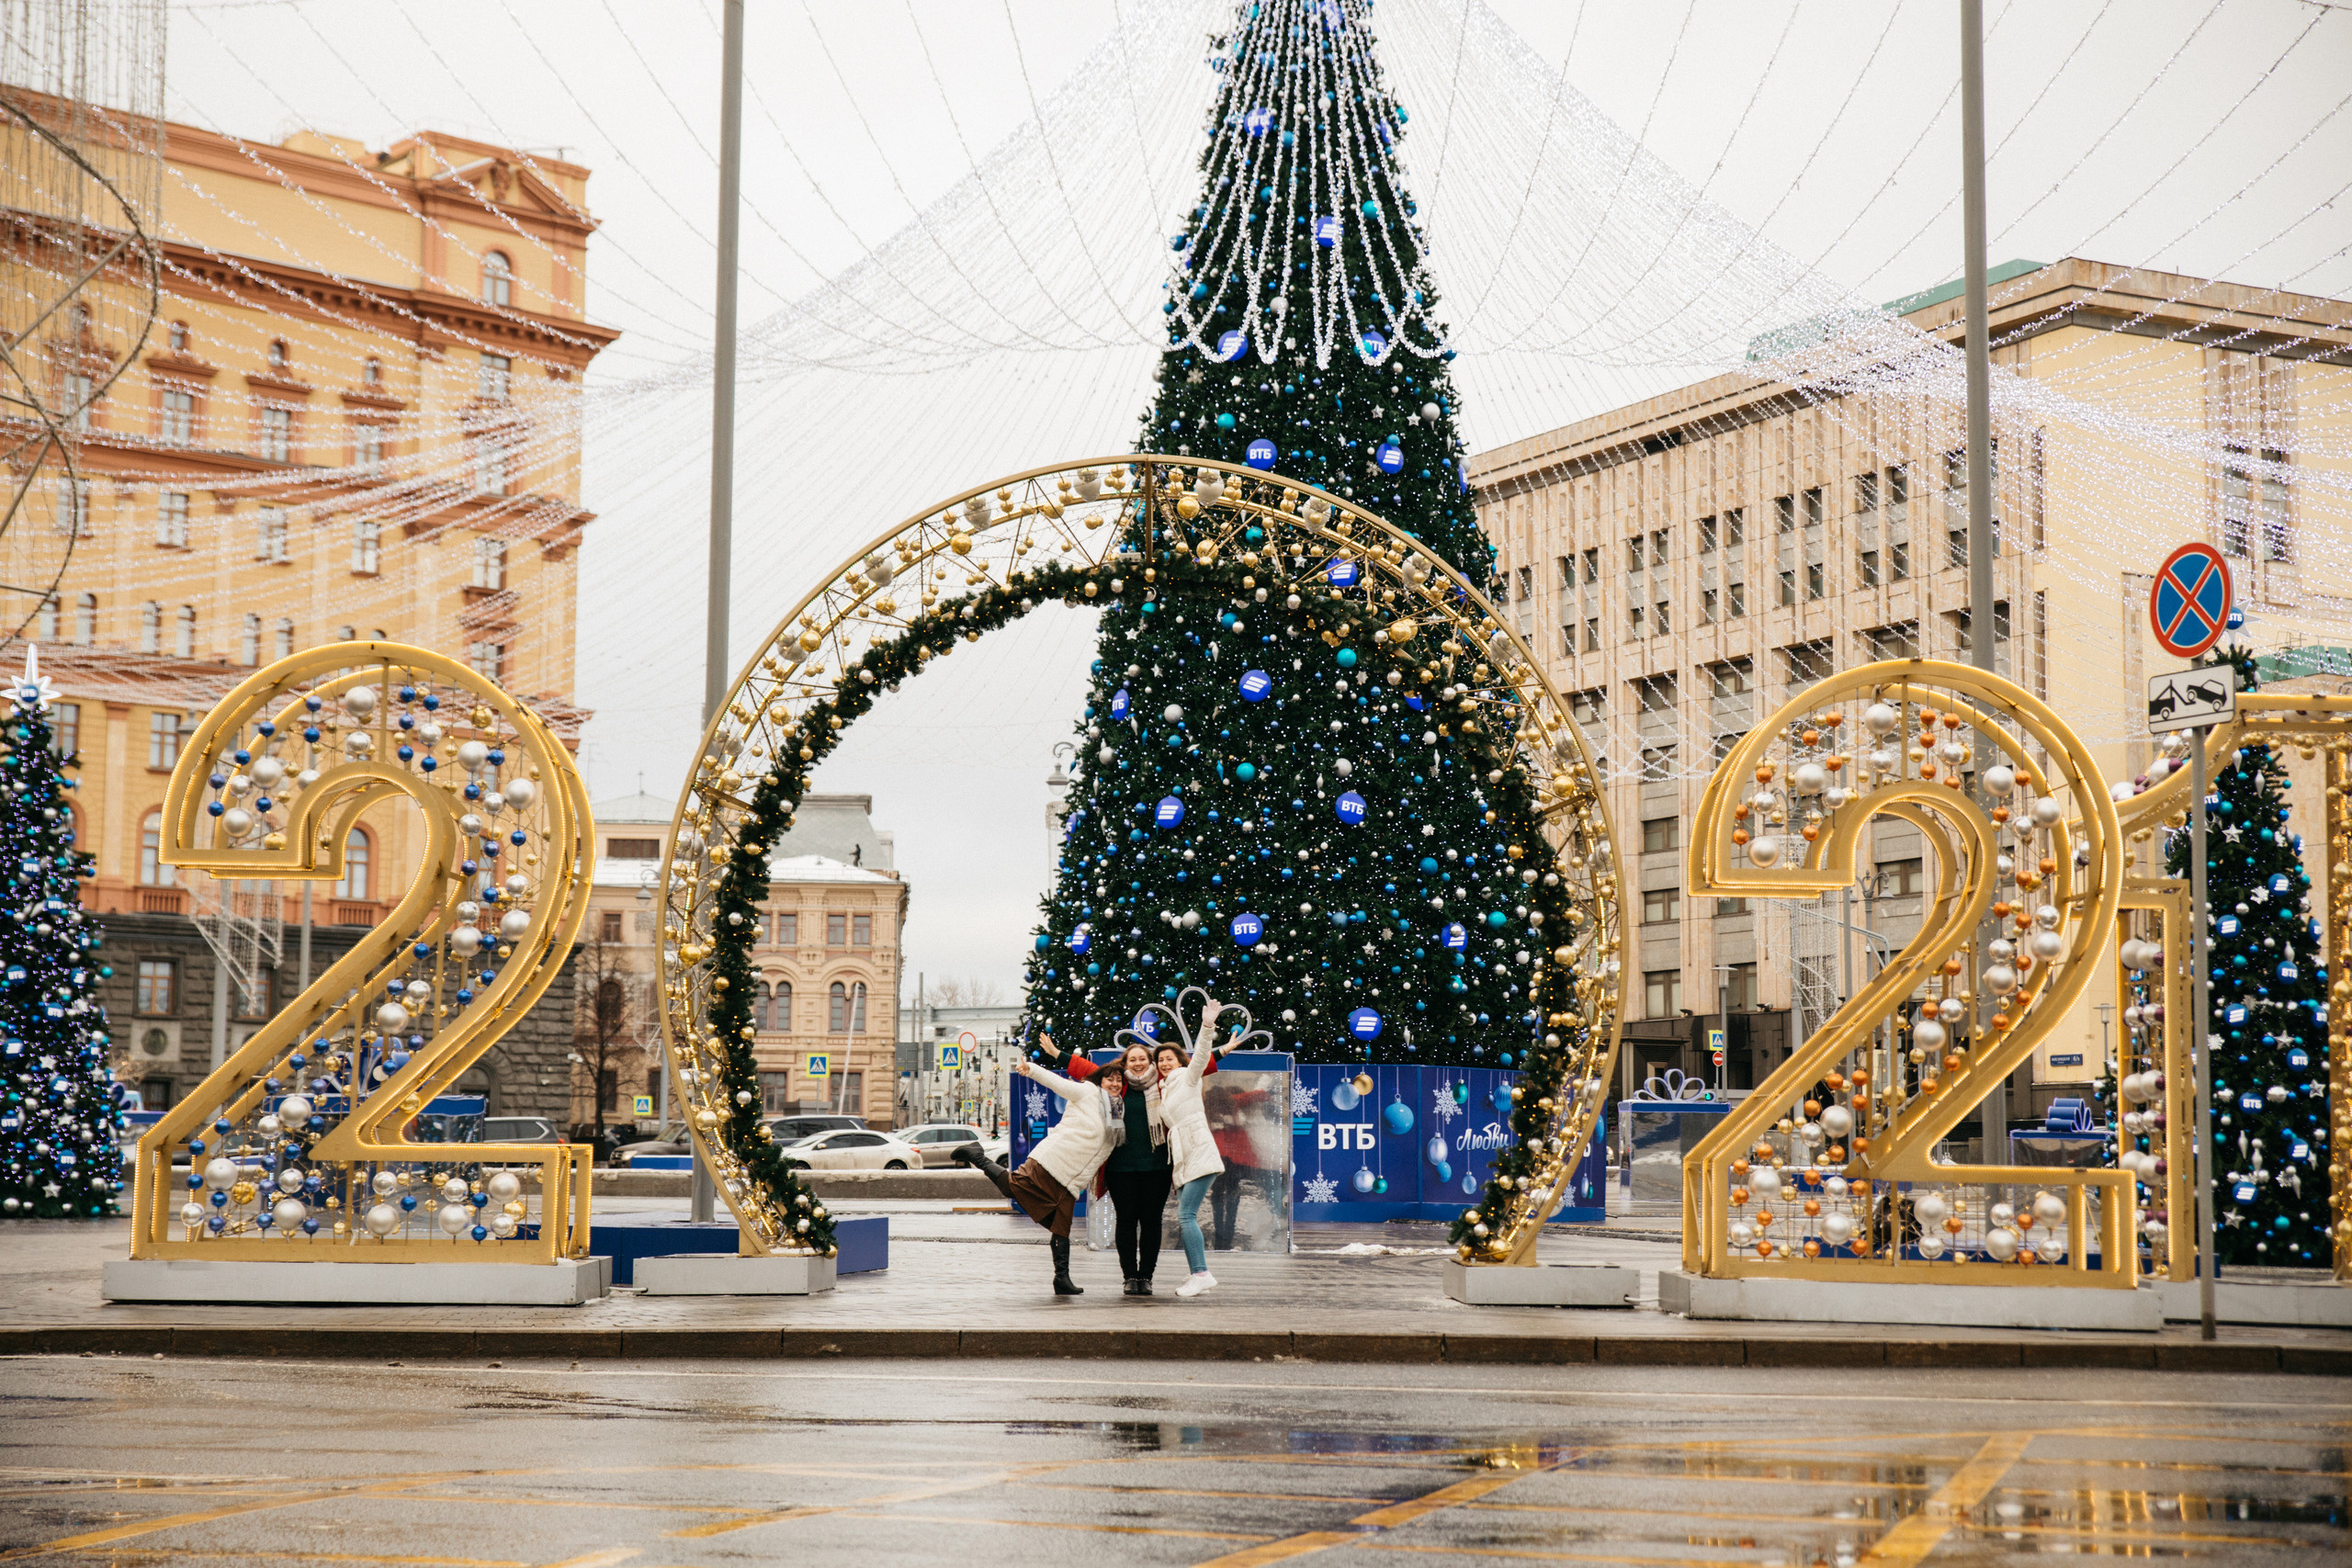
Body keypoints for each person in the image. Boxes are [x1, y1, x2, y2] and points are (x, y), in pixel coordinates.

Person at [953, 1032, 1110, 1296]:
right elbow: (1059, 1084)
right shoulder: (1087, 1092)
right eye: (1110, 1079)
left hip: (1073, 1180)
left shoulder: (1117, 1113)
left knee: (1062, 1226)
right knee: (1012, 1188)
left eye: (1119, 1080)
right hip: (1052, 1162)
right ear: (1100, 1080)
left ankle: (1062, 1278)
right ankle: (977, 1155)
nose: (1114, 1084)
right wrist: (1032, 1069)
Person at [1154, 1000, 1241, 1297]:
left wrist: (1207, 1027)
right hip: (1187, 1157)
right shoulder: (1165, 1090)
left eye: (1169, 1058)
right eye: (1160, 1060)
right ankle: (1199, 1273)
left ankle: (1201, 1273)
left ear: (1180, 1061)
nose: (1164, 1063)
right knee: (1186, 1214)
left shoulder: (1187, 1078)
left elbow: (1202, 1056)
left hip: (1200, 1153)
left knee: (1185, 1215)